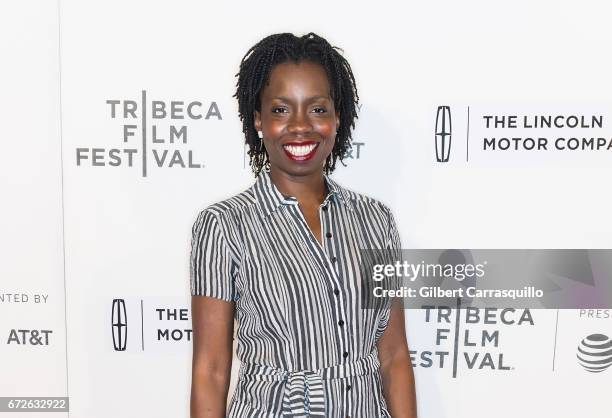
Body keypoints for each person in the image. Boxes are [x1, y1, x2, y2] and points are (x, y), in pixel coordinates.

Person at [190, 32, 417, 418]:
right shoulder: (224, 226)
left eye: (317, 109)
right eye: (280, 110)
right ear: (258, 119)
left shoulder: (376, 220)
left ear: (337, 117)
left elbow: (394, 355)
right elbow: (210, 370)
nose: (300, 126)